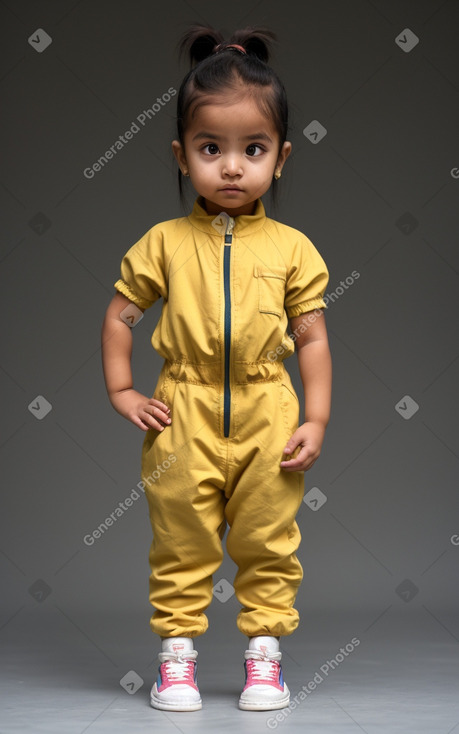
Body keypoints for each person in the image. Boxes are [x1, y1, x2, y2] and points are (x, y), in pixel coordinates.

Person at [101, 23, 332, 713]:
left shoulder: (293, 249)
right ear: (181, 154)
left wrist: (314, 416)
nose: (231, 167)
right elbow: (121, 316)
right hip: (183, 413)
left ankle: (264, 659)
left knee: (268, 537)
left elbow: (312, 338)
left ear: (280, 158)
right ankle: (177, 661)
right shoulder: (163, 243)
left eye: (251, 150)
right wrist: (122, 387)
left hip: (269, 413)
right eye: (210, 149)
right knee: (180, 537)